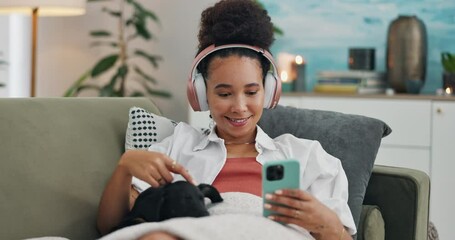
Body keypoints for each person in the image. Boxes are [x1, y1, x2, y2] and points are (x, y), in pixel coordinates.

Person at [97, 0, 356, 239]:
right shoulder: (178, 146)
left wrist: (325, 224)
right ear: (201, 94)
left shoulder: (306, 155)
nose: (239, 107)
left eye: (252, 92)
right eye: (224, 93)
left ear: (269, 90)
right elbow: (110, 227)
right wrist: (125, 168)